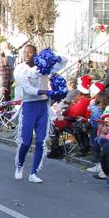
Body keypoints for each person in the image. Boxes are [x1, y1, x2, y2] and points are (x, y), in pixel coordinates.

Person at [13, 44, 65, 183]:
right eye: (25, 52)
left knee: (41, 141)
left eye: (30, 52)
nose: (27, 55)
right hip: (30, 106)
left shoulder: (44, 66)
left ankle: (34, 172)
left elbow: (63, 62)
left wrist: (55, 58)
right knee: (26, 140)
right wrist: (45, 91)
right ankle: (19, 165)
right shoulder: (20, 69)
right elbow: (28, 88)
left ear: (36, 54)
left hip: (43, 106)